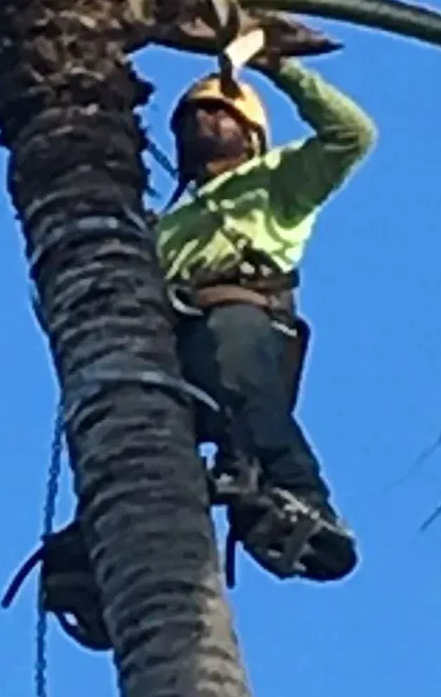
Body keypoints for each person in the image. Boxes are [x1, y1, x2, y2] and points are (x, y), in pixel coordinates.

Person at [158, 32, 375, 582]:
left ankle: (300, 495)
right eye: (196, 114)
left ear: (252, 137)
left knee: (242, 381)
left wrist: (279, 66)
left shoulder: (280, 180)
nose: (207, 119)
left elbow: (353, 136)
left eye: (221, 112)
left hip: (245, 315)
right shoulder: (164, 227)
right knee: (131, 414)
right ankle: (101, 537)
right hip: (176, 341)